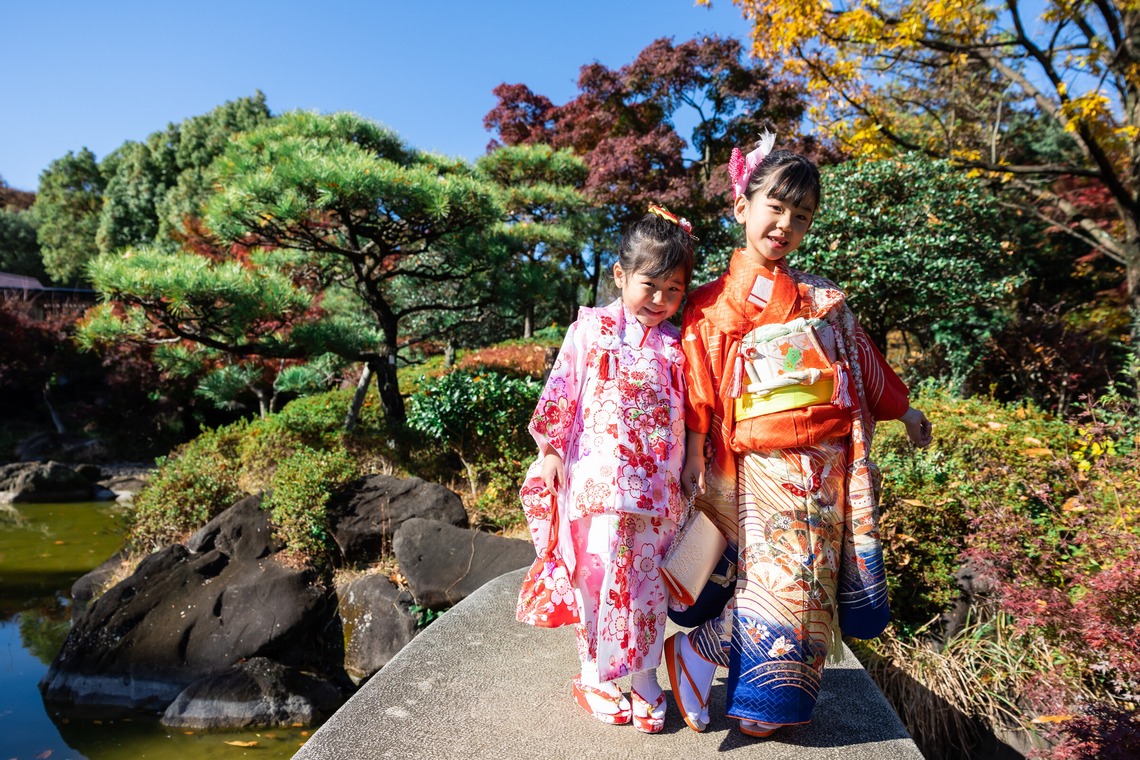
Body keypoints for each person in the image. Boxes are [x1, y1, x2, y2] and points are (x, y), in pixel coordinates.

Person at [665, 134, 933, 738]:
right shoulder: (711, 303)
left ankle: (718, 665)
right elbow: (700, 388)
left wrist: (906, 409)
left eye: (801, 216)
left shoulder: (821, 298)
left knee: (809, 581)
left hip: (826, 459)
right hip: (760, 462)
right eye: (775, 208)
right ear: (742, 207)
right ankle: (749, 690)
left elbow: (861, 363)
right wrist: (694, 453)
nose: (786, 225)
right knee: (784, 580)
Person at [518, 205, 696, 733]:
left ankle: (644, 676)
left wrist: (690, 469)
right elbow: (562, 390)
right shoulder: (590, 329)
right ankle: (594, 674)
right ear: (620, 276)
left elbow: (688, 413)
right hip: (593, 481)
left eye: (674, 290)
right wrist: (550, 450)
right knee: (593, 578)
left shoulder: (676, 346)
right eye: (650, 285)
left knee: (647, 582)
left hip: (655, 485)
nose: (661, 300)